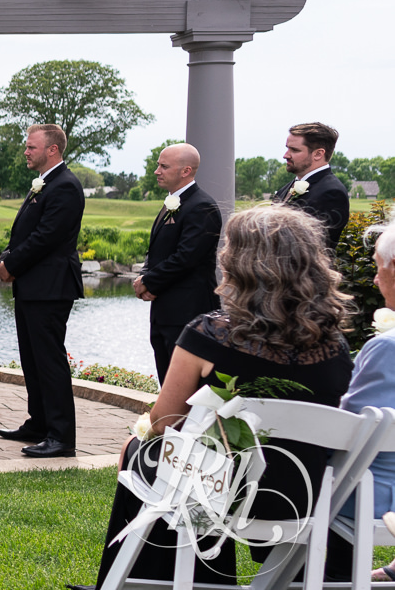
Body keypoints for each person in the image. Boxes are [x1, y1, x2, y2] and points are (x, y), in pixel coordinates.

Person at [84, 206, 354, 587]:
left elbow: (164, 424)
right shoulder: (334, 346)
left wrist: (135, 442)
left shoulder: (208, 336)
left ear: (238, 264)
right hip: (305, 498)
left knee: (141, 453)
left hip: (221, 498)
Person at [0, 123, 84, 458]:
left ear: (53, 150)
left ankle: (61, 437)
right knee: (32, 359)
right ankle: (39, 422)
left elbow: (46, 237)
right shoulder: (44, 184)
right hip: (33, 285)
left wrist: (11, 265)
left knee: (49, 360)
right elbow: (24, 232)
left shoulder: (65, 186)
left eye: (31, 147)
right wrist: (8, 256)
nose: (25, 151)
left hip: (50, 286)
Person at [134, 143, 222, 384]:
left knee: (186, 387)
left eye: (164, 166)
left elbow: (187, 257)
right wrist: (144, 275)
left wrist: (148, 281)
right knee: (166, 379)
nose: (157, 171)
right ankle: (169, 422)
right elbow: (157, 251)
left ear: (186, 171)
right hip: (163, 309)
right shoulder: (171, 202)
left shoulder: (202, 206)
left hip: (187, 311)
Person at [340, 216, 395, 583]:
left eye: (379, 268)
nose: (375, 280)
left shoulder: (386, 348)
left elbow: (346, 433)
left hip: (375, 496)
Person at [273, 121, 350, 251]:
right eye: (287, 148)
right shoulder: (285, 189)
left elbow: (314, 247)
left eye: (294, 150)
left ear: (318, 154)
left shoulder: (332, 193)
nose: (285, 155)